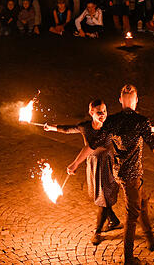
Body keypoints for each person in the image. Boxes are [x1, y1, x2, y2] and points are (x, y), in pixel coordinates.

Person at [67, 85, 154, 265]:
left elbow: (91, 145)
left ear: (120, 100)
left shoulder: (112, 121)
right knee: (132, 216)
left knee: (142, 201)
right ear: (136, 100)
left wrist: (75, 163)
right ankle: (129, 260)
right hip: (132, 176)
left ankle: (150, 238)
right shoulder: (141, 121)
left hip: (118, 172)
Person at [44, 99, 122, 245]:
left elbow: (91, 147)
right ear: (91, 113)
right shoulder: (85, 127)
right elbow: (67, 129)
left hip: (106, 164)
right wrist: (51, 128)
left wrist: (75, 164)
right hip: (92, 163)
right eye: (99, 112)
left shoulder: (108, 127)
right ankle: (114, 220)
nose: (103, 115)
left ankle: (98, 232)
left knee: (103, 198)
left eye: (104, 111)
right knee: (99, 195)